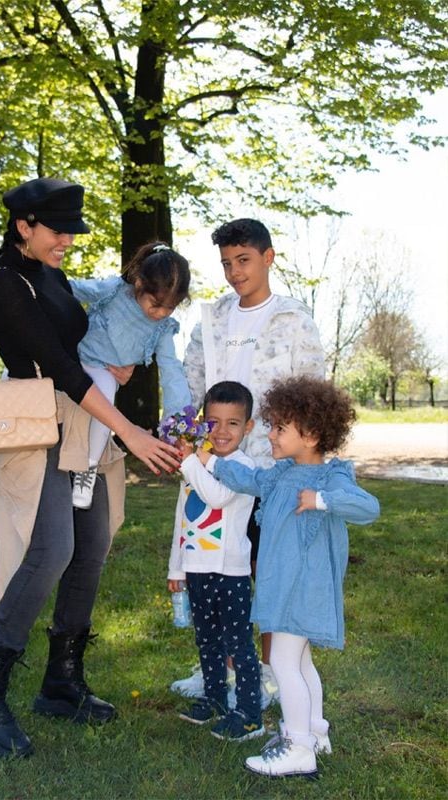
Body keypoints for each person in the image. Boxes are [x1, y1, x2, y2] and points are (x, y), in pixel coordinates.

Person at [0, 177, 181, 758]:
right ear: (23, 226)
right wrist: (130, 428)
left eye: (70, 233)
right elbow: (56, 366)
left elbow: (89, 342)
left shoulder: (53, 277)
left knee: (92, 547)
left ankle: (61, 682)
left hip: (87, 424)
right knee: (51, 550)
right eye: (58, 231)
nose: (68, 243)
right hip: (43, 427)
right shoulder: (6, 283)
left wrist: (123, 366)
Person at [194, 376, 380, 778]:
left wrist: (322, 500)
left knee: (281, 660)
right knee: (301, 661)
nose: (271, 435)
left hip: (303, 588)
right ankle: (315, 731)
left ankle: (297, 748)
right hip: (284, 586)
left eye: (280, 428)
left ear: (310, 434)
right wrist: (208, 460)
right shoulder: (279, 475)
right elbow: (248, 479)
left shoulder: (331, 477)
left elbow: (368, 508)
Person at [173, 218, 325, 707]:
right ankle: (218, 669)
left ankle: (264, 676)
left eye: (243, 260)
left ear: (268, 257)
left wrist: (307, 464)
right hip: (215, 469)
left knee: (265, 574)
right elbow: (190, 385)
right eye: (226, 264)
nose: (235, 273)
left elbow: (313, 393)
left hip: (271, 472)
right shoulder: (212, 319)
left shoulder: (293, 319)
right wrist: (181, 438)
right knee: (213, 573)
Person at [167, 381, 265, 742]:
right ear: (203, 423)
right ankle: (215, 698)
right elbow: (184, 516)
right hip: (197, 570)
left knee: (238, 643)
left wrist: (191, 459)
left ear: (248, 427)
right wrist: (176, 568)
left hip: (231, 572)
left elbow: (217, 496)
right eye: (213, 422)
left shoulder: (242, 466)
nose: (221, 432)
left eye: (233, 423)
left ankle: (251, 713)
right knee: (206, 640)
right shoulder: (196, 464)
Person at [69, 241, 193, 509]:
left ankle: (87, 469)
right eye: (156, 304)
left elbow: (172, 371)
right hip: (73, 356)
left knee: (105, 411)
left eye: (170, 308)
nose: (160, 313)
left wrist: (177, 419)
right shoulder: (114, 292)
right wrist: (44, 283)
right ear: (139, 284)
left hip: (103, 371)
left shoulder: (163, 330)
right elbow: (76, 289)